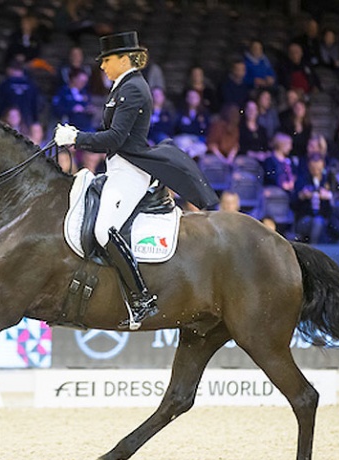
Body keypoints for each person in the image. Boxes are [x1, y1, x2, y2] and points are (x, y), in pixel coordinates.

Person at [53, 31, 218, 329]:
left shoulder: (134, 89)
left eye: (106, 60)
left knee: (104, 230)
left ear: (123, 58)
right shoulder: (122, 86)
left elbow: (116, 137)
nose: (101, 66)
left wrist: (77, 138)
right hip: (117, 168)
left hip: (130, 170)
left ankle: (142, 298)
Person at [291, 152, 333, 244]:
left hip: (325, 218)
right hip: (304, 219)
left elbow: (337, 199)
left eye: (318, 169)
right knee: (318, 222)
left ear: (323, 166)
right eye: (313, 168)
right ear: (309, 166)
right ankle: (314, 249)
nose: (316, 171)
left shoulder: (329, 180)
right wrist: (301, 196)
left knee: (321, 222)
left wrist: (329, 196)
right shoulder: (301, 180)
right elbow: (292, 203)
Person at [0, 56, 40, 129]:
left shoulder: (5, 84)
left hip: (8, 119)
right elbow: (36, 104)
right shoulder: (31, 85)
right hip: (27, 119)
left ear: (10, 69)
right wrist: (35, 120)